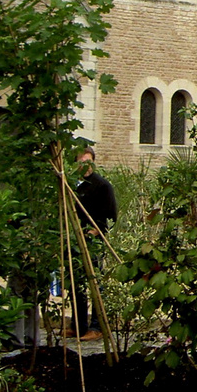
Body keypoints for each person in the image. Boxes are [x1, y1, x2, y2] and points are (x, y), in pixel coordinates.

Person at [67, 145, 118, 341]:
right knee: (75, 283)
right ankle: (78, 325)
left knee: (95, 283)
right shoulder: (73, 185)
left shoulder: (102, 186)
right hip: (75, 239)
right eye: (82, 162)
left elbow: (110, 216)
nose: (86, 166)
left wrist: (95, 231)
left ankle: (97, 327)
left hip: (94, 241)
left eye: (89, 162)